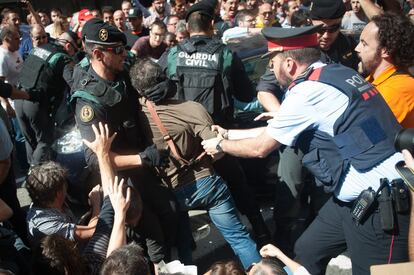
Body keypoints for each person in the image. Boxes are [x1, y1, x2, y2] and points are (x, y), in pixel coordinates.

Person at [202, 25, 409, 274]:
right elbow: (278, 131)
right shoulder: (336, 74)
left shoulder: (306, 92)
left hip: (380, 204)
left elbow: (260, 148)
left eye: (272, 62)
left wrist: (221, 145)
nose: (270, 68)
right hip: (353, 198)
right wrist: (228, 133)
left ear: (289, 64)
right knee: (309, 250)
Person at [130, 57, 261, 269]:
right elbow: (217, 150)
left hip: (172, 191)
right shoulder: (192, 108)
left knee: (182, 251)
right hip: (207, 185)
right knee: (238, 238)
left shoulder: (139, 112)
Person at [162, 0, 270, 246]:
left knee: (176, 192)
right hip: (216, 136)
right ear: (211, 24)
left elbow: (159, 91)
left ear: (187, 27)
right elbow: (244, 95)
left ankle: (182, 249)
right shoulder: (225, 54)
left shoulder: (172, 54)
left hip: (182, 141)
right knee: (238, 183)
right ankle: (261, 231)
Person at [71, 18, 179, 263]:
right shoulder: (88, 102)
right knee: (147, 232)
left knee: (171, 212)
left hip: (144, 159)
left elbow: (146, 74)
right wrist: (141, 159)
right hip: (120, 176)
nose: (124, 54)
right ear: (98, 54)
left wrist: (163, 86)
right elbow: (99, 158)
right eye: (117, 50)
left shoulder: (121, 65)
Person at [15, 24, 72, 165]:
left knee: (31, 140)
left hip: (19, 99)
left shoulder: (33, 52)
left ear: (48, 37)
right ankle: (35, 172)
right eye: (37, 38)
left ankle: (32, 174)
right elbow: (71, 81)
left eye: (43, 37)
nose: (41, 40)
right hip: (32, 103)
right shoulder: (58, 55)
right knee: (44, 140)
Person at [355, 12, 414, 128]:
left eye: (364, 44)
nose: (357, 48)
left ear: (385, 51)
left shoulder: (397, 89)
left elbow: (365, 134)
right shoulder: (374, 79)